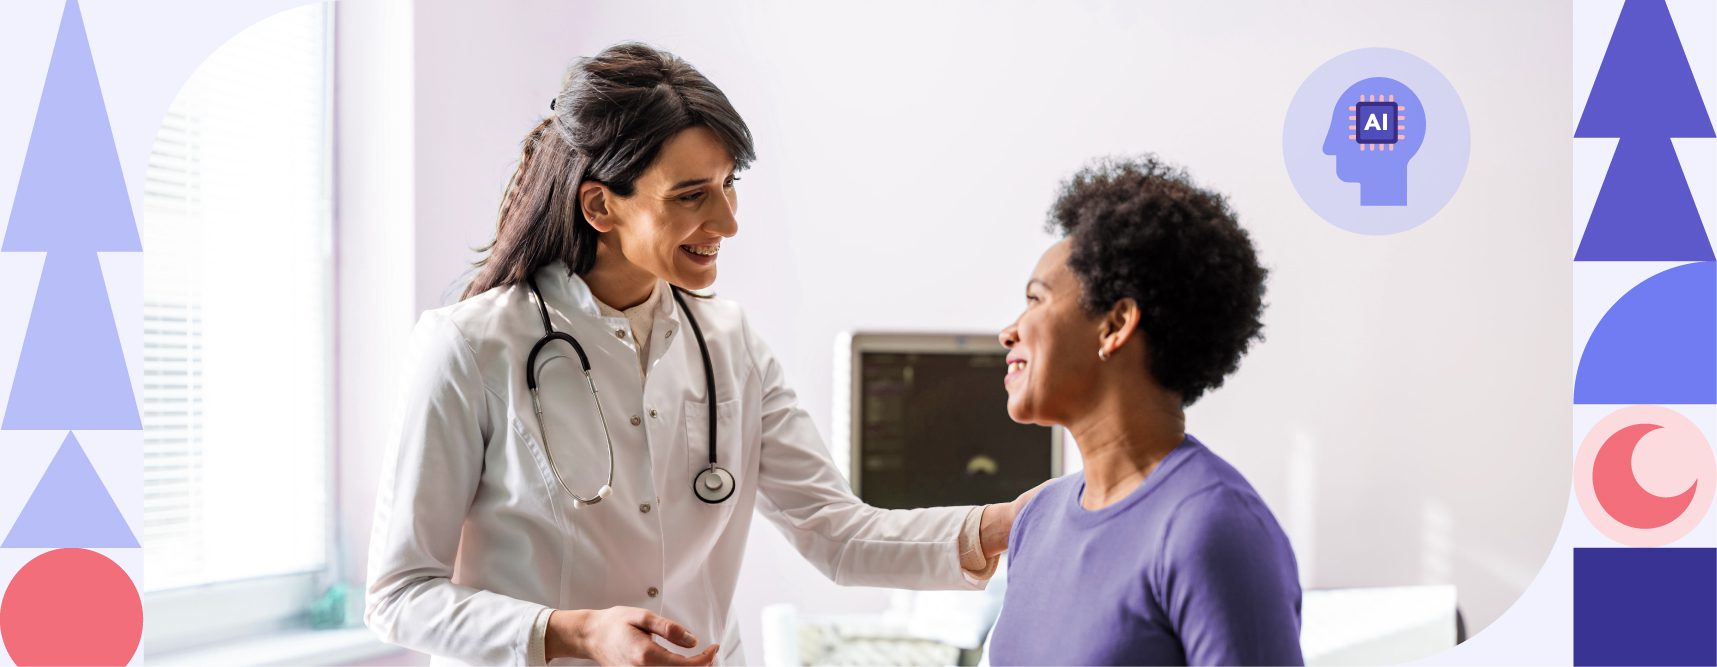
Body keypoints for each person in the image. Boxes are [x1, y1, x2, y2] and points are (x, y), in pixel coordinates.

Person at [363, 43, 1038, 666]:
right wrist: (572, 631)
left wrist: (1017, 522)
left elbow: (836, 532)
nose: (727, 222)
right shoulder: (470, 346)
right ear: (600, 205)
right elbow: (399, 594)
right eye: (691, 195)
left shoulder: (728, 341)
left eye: (727, 184)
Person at [987, 156, 1303, 665]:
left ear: (1115, 325)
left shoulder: (1214, 527)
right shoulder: (1037, 522)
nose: (1009, 330)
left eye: (1035, 300)